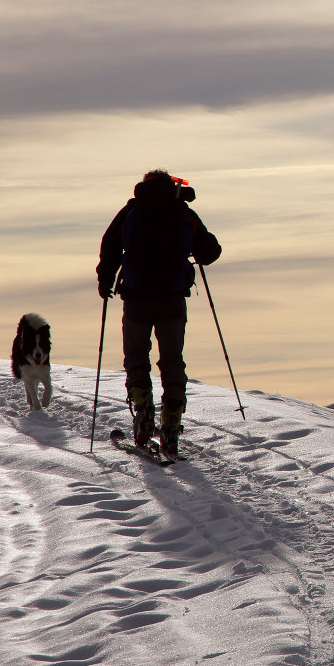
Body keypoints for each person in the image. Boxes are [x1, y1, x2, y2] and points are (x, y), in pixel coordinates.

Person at [96, 169, 222, 458]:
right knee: (172, 360)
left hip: (137, 297)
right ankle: (171, 424)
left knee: (137, 357)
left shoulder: (132, 210)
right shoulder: (182, 211)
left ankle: (143, 415)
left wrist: (105, 280)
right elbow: (210, 252)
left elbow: (110, 247)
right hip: (173, 299)